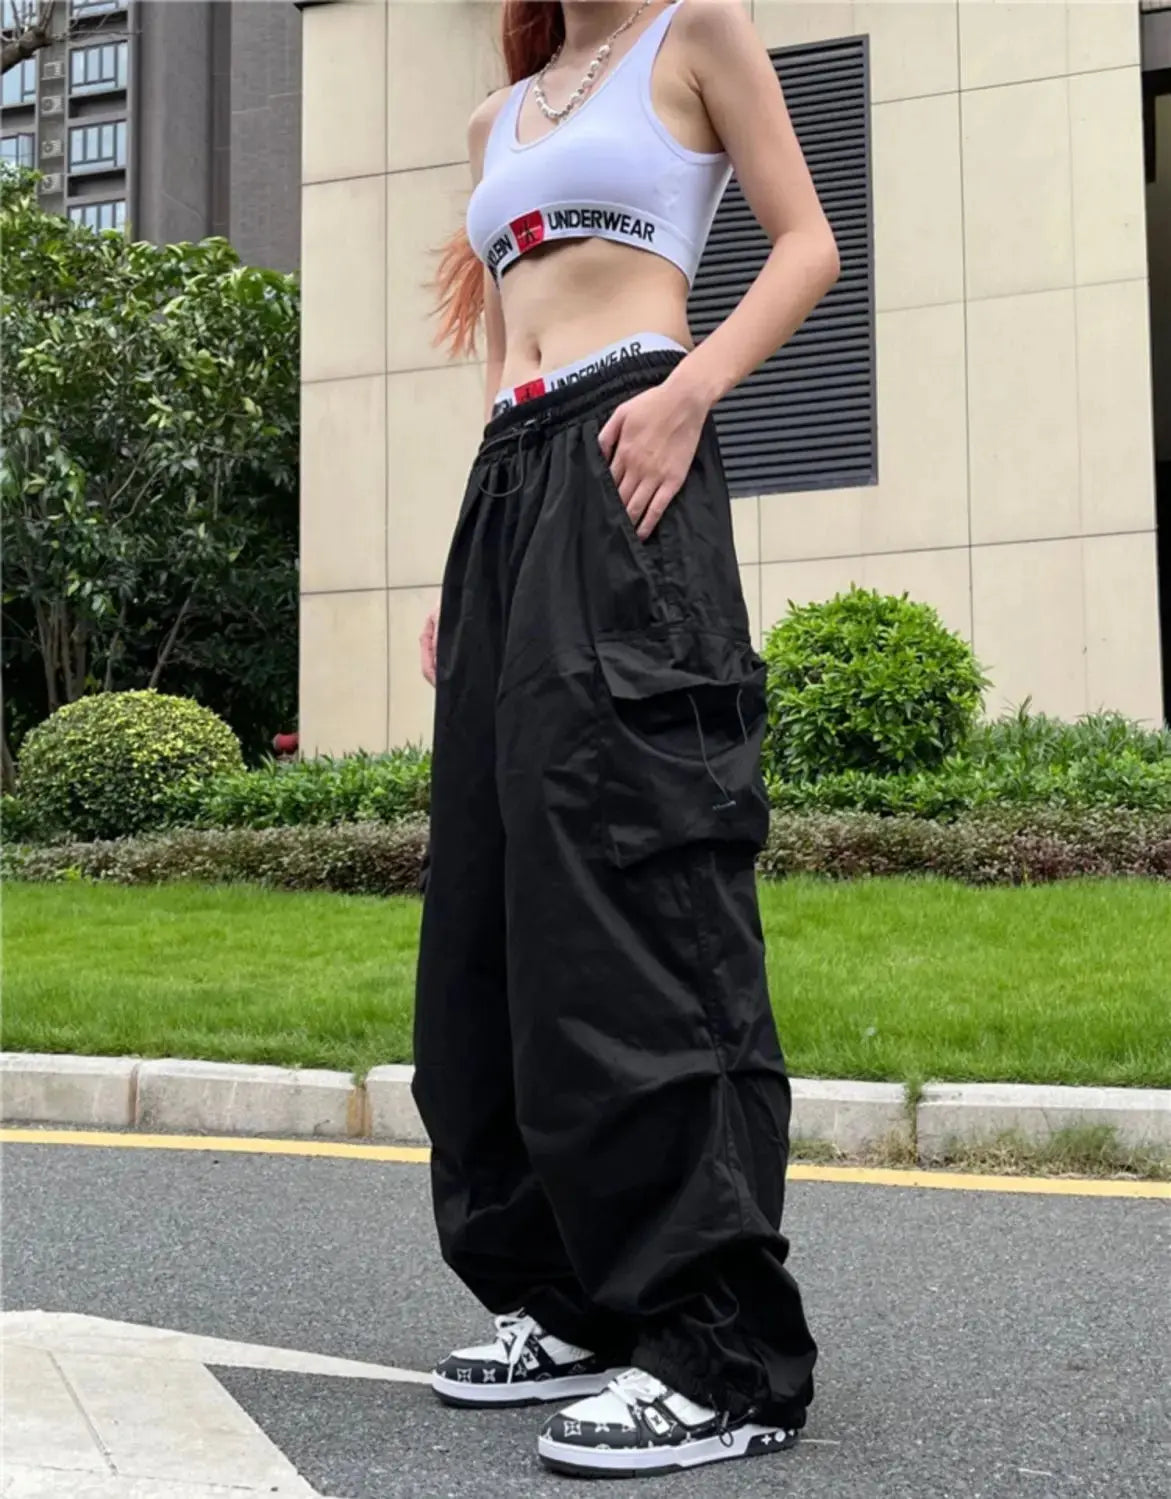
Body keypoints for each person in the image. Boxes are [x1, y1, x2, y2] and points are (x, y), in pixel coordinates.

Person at [412, 0, 839, 1479]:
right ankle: (573, 1301)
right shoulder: (501, 115)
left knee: (639, 896)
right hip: (511, 488)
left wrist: (690, 392)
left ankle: (722, 1354)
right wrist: (464, 563)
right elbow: (502, 354)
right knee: (492, 920)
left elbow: (807, 245)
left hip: (630, 452)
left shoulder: (695, 35)